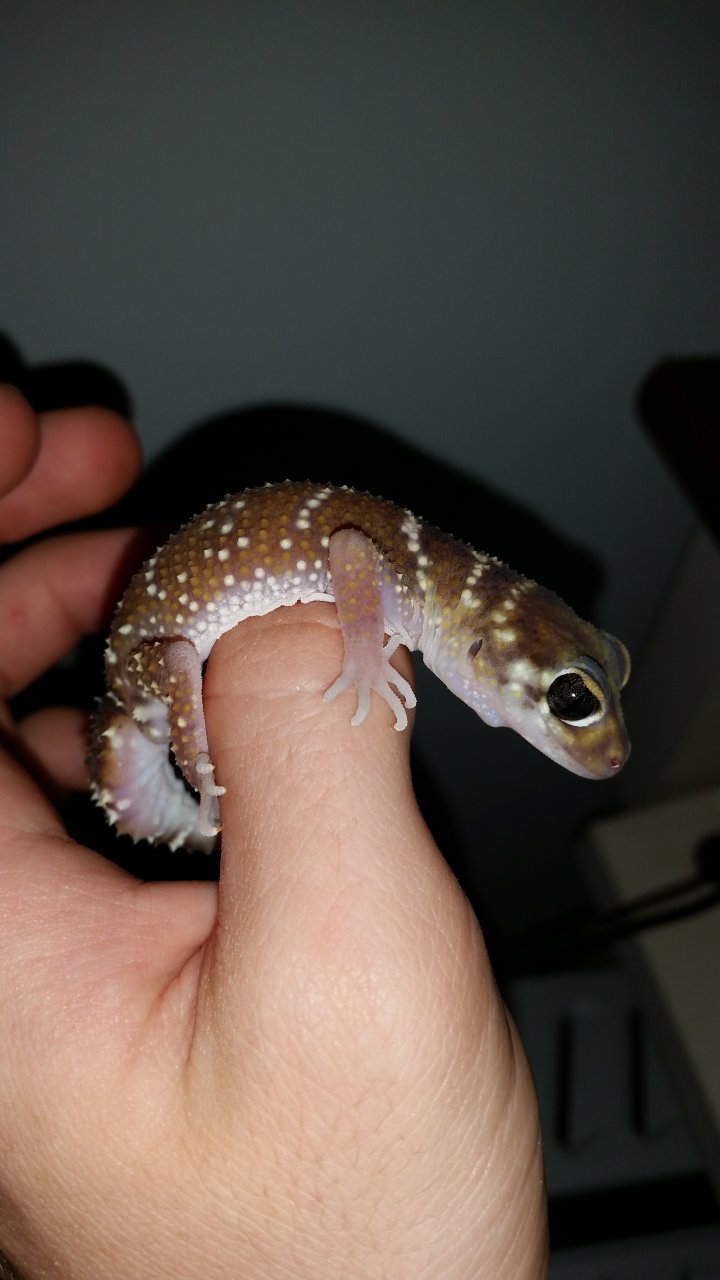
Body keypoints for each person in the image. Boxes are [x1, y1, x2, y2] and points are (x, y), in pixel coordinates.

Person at [0, 384, 549, 1279]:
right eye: (569, 701)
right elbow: (344, 547)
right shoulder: (403, 582)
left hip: (152, 667)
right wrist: (212, 769)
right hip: (149, 660)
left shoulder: (427, 584)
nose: (593, 744)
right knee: (174, 676)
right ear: (492, 646)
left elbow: (347, 546)